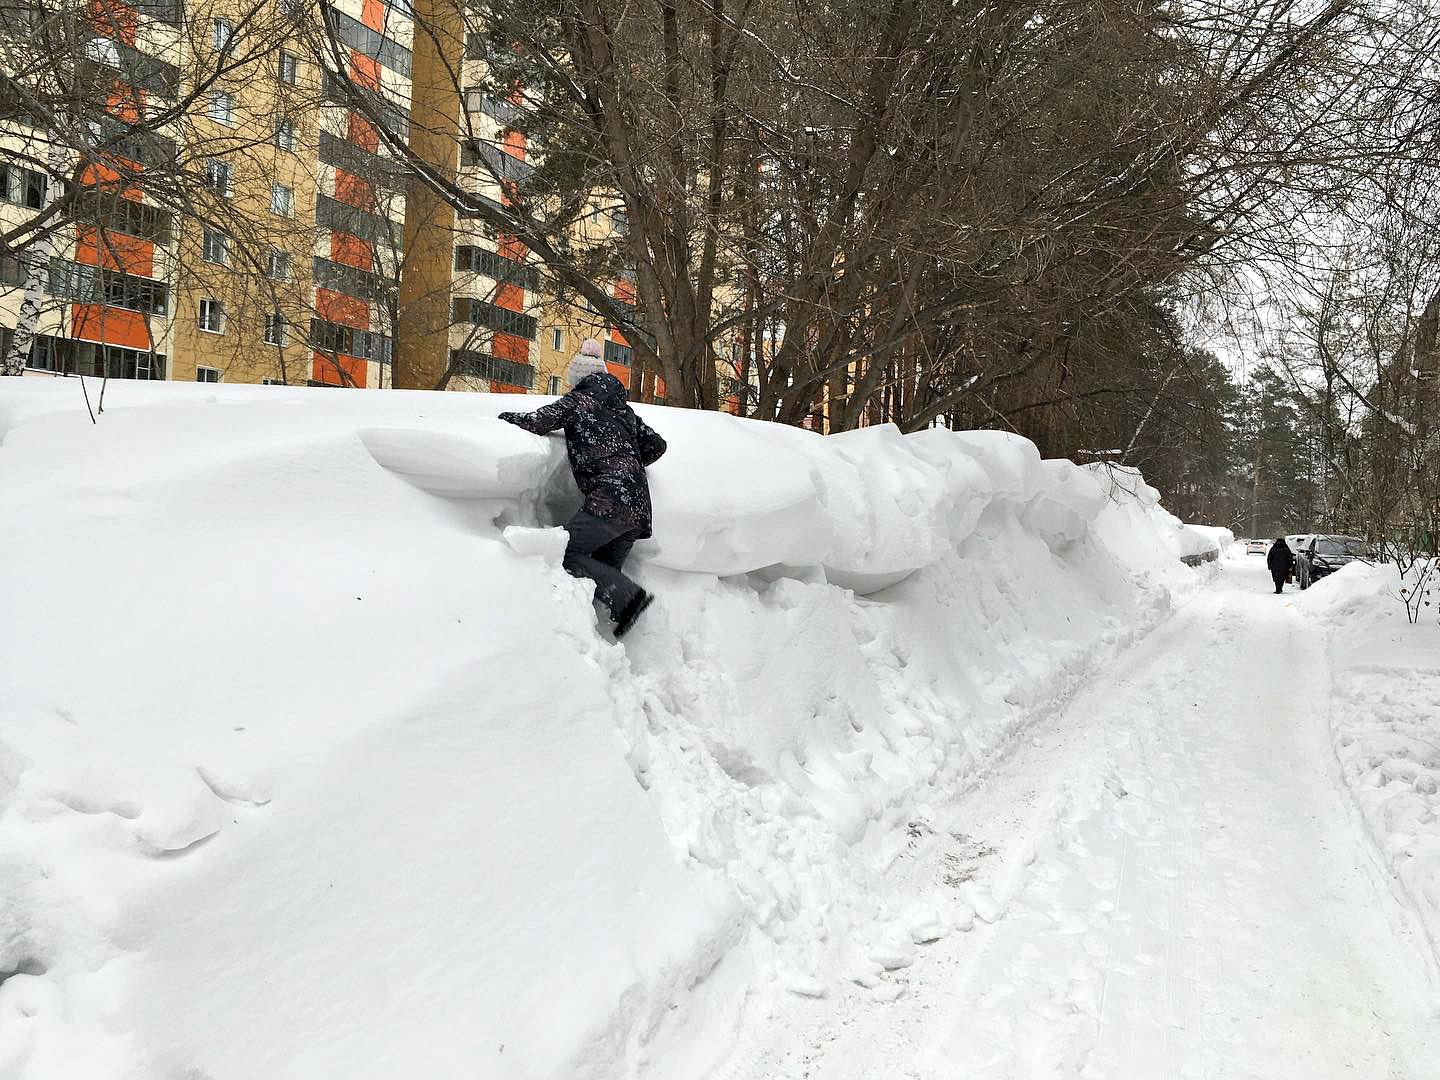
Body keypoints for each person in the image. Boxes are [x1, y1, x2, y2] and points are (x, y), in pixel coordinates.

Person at [498, 338, 667, 637]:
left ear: (577, 379)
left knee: (567, 551)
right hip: (639, 506)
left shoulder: (579, 401)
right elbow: (656, 445)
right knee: (602, 573)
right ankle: (613, 642)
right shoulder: (624, 410)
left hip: (610, 500)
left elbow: (540, 421)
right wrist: (628, 456)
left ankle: (630, 599)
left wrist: (505, 418)